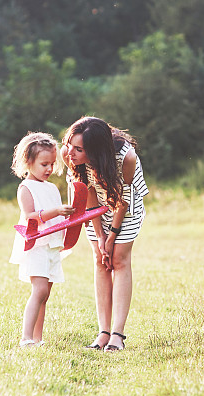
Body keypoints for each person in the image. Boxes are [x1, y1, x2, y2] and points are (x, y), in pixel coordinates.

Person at [61, 116, 148, 351]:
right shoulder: (69, 155)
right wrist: (101, 237)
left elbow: (123, 201)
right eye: (70, 144)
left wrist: (112, 235)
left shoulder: (125, 158)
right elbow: (88, 194)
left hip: (124, 209)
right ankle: (103, 333)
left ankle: (117, 336)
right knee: (101, 261)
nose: (70, 152)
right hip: (95, 208)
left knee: (119, 261)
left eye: (79, 149)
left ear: (96, 151)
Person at [10, 132, 75, 348]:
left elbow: (58, 219)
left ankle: (37, 339)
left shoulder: (52, 188)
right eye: (44, 164)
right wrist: (56, 210)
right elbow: (30, 216)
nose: (49, 169)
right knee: (38, 291)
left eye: (52, 164)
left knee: (45, 294)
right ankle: (26, 338)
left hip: (52, 245)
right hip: (36, 244)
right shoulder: (26, 188)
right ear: (29, 162)